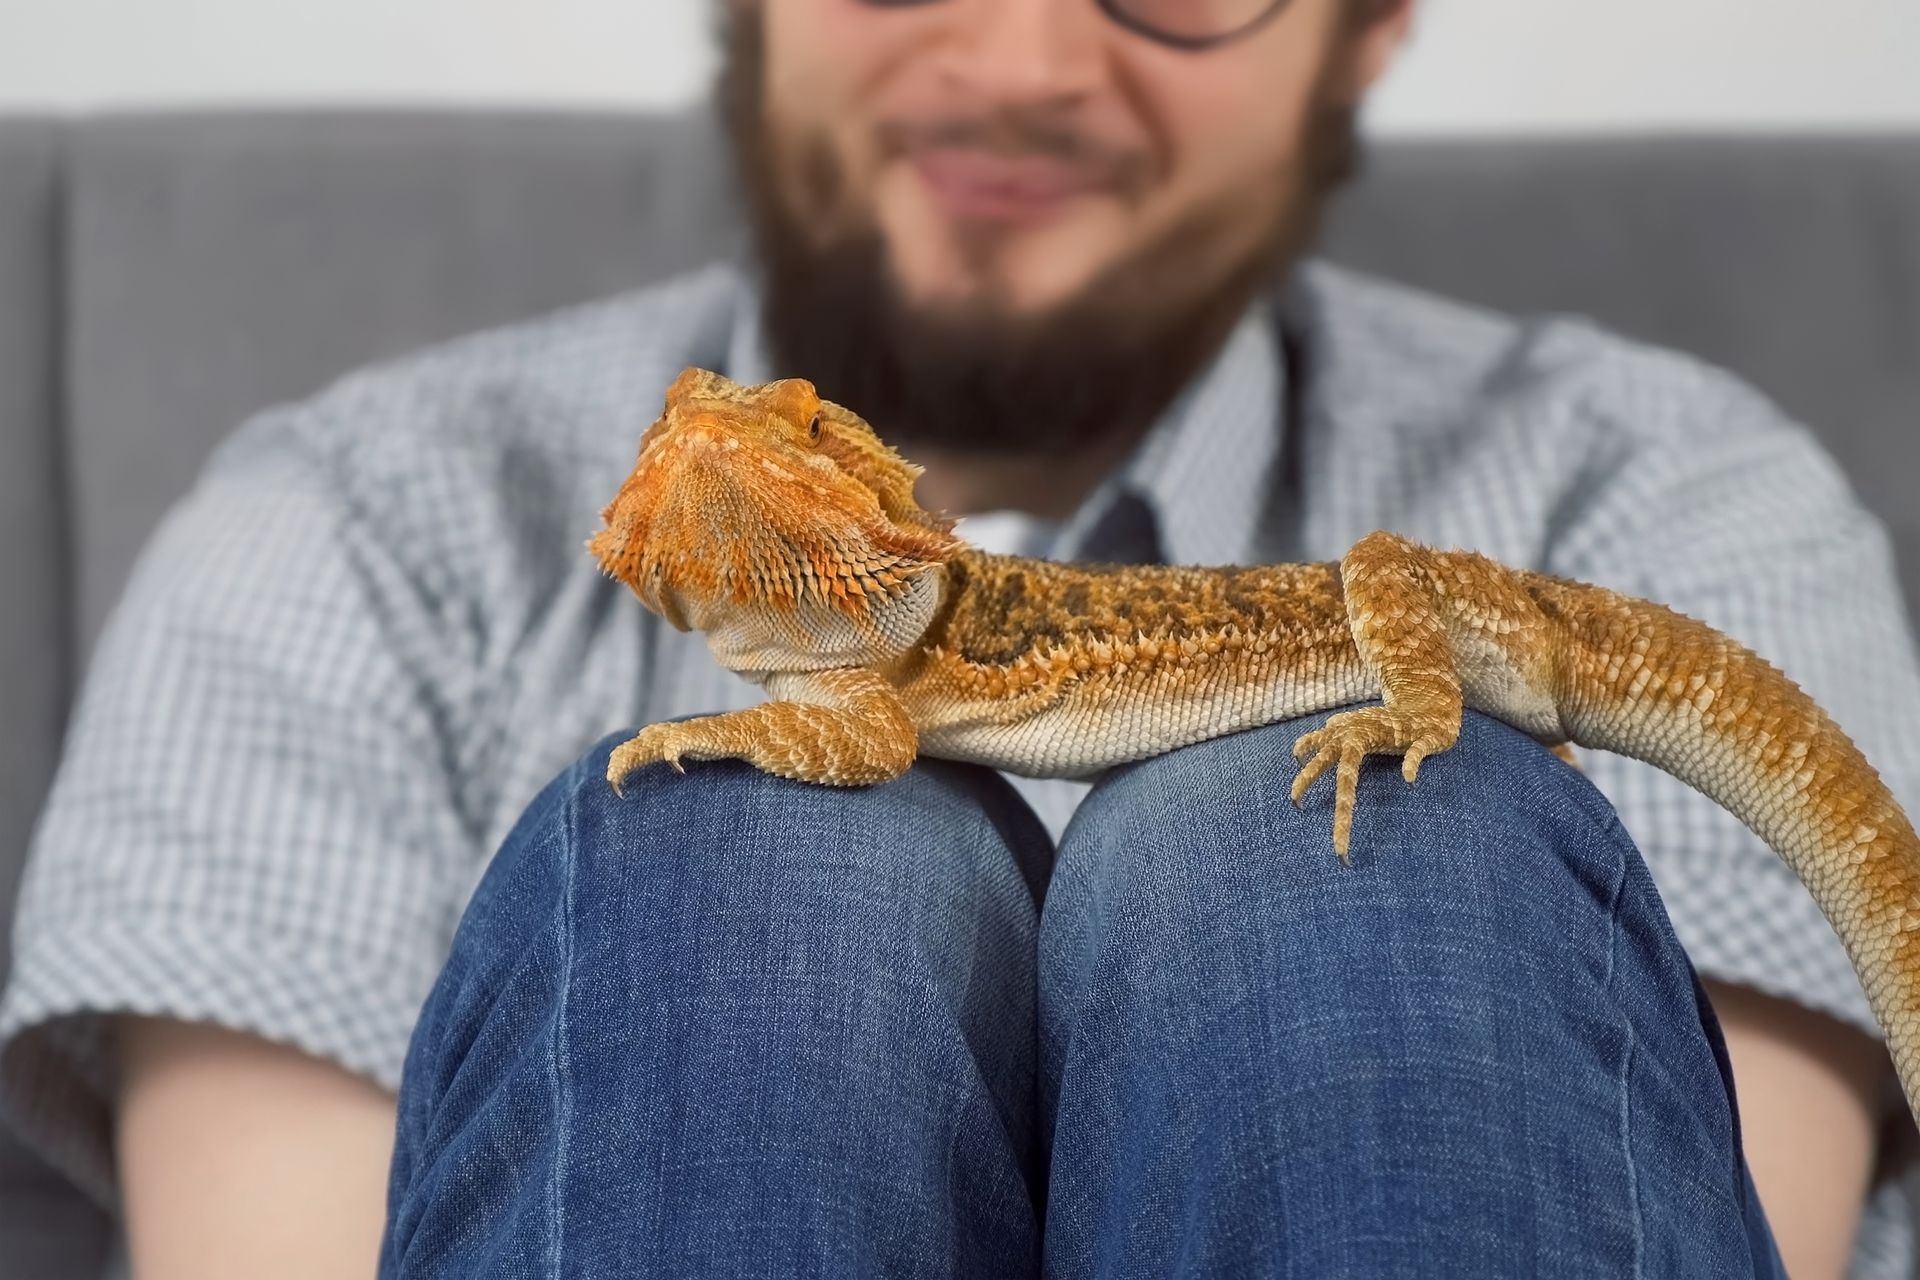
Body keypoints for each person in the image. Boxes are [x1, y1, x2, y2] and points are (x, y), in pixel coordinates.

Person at [3, 0, 1917, 1275]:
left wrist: (1435, 726)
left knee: (1329, 859)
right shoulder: (349, 520)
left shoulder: (1670, 482)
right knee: (738, 862)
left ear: (1374, 23)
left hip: (1454, 668)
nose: (1025, 46)